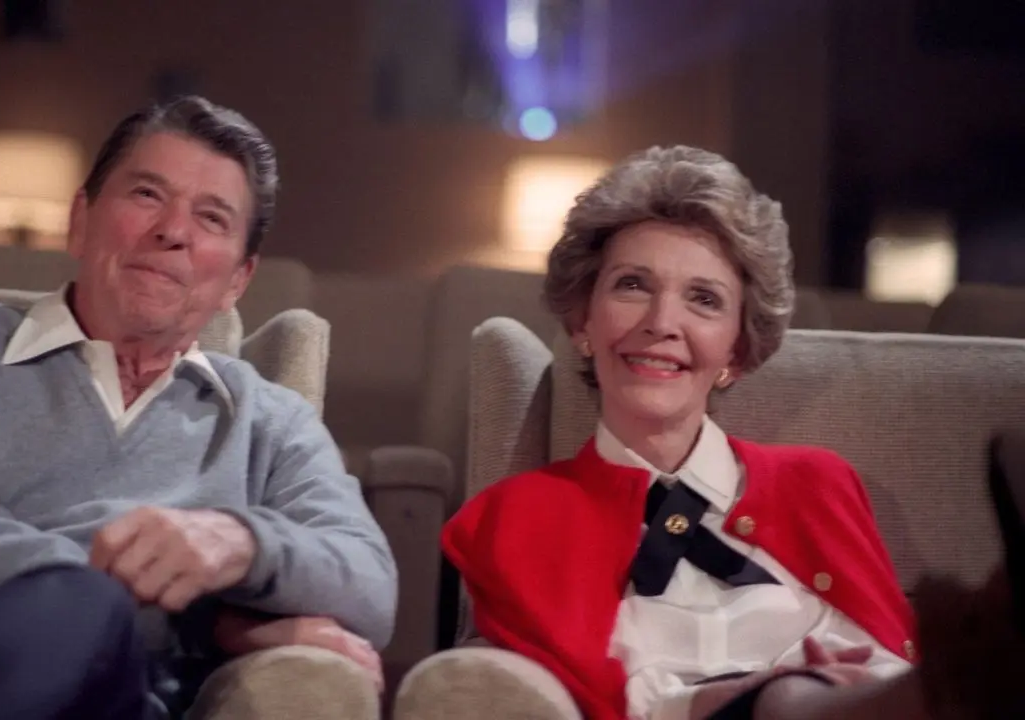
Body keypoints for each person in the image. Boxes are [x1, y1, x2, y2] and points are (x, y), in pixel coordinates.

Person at [0, 96, 397, 718]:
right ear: (81, 219)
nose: (173, 231)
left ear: (238, 279)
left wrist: (238, 544)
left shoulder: (270, 421)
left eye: (211, 218)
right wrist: (203, 622)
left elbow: (369, 584)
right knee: (78, 609)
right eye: (147, 194)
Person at [435, 146, 1023, 719]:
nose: (662, 323)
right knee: (790, 700)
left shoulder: (818, 481)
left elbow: (893, 652)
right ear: (583, 322)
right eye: (633, 285)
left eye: (703, 299)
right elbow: (596, 698)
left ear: (736, 352)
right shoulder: (510, 517)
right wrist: (760, 693)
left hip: (885, 703)